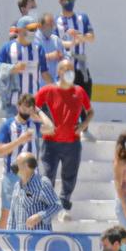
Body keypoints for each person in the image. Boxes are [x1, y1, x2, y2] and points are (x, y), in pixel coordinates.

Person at [36, 58, 90, 211]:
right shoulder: (47, 90)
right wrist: (43, 121)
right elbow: (33, 107)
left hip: (72, 143)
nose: (70, 72)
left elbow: (90, 111)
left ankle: (64, 201)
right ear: (58, 72)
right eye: (66, 69)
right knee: (47, 176)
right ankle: (46, 204)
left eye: (71, 69)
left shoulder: (79, 91)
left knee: (70, 176)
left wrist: (84, 125)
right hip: (50, 143)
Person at [0, 91, 46, 226]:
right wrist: (20, 140)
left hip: (33, 177)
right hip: (12, 175)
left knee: (33, 212)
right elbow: (0, 150)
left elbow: (51, 128)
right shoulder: (7, 125)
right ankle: (0, 244)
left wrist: (38, 112)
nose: (26, 111)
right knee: (6, 212)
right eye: (24, 107)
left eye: (29, 108)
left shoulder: (35, 125)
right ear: (18, 106)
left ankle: (29, 245)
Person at [10, 151, 64, 233]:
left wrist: (39, 216)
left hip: (38, 239)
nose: (14, 165)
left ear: (27, 166)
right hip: (20, 240)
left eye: (18, 163)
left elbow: (57, 205)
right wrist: (9, 235)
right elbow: (12, 216)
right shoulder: (17, 186)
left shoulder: (42, 183)